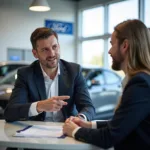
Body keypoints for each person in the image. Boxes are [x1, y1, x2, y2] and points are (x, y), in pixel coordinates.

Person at [63, 19, 150, 150]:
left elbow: (109, 137)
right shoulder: (141, 80)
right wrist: (87, 124)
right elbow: (122, 123)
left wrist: (74, 131)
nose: (109, 51)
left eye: (112, 44)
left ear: (125, 45)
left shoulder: (140, 84)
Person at [4, 27, 95, 123]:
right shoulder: (26, 74)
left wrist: (80, 118)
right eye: (45, 50)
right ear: (35, 53)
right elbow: (10, 112)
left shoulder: (74, 71)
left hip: (67, 128)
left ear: (59, 46)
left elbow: (88, 107)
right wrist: (40, 106)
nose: (51, 54)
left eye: (54, 47)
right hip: (35, 132)